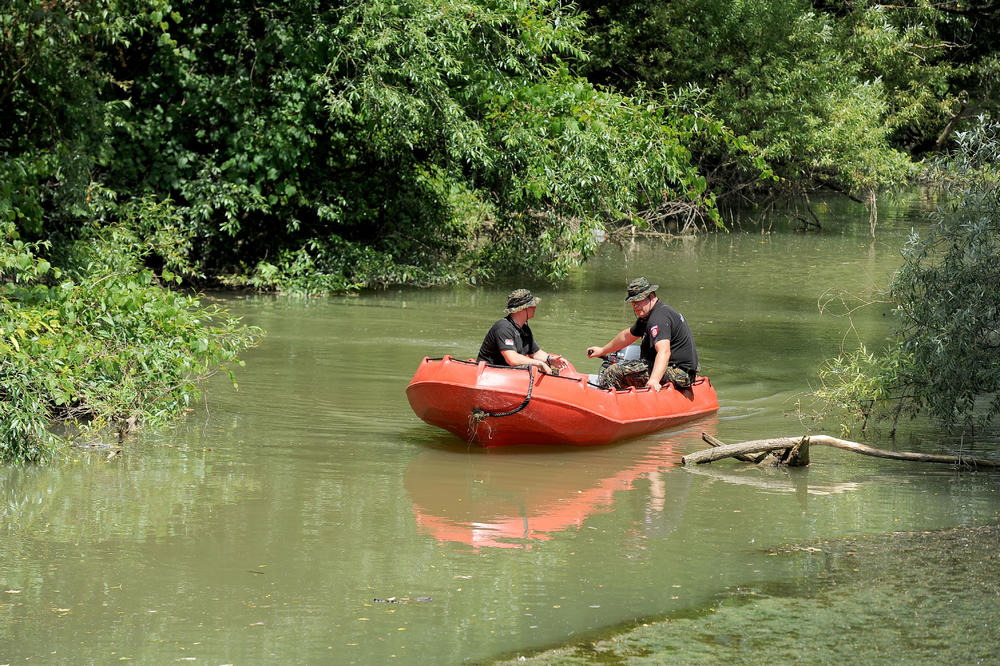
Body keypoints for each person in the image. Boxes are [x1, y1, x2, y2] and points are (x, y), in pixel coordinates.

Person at [586, 277, 699, 390]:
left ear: (652, 296)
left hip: (680, 373)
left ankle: (609, 401)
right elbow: (627, 336)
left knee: (613, 371)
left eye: (639, 300)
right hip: (673, 368)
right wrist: (602, 350)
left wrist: (654, 380)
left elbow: (664, 351)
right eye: (633, 302)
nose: (635, 305)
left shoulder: (658, 318)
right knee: (627, 366)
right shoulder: (648, 315)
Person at [477, 289, 571, 374]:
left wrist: (550, 359)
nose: (535, 307)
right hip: (490, 374)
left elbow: (536, 353)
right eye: (532, 305)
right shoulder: (503, 328)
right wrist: (539, 364)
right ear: (523, 309)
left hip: (509, 374)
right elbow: (512, 359)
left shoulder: (524, 329)